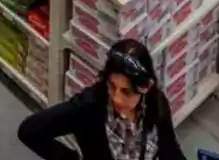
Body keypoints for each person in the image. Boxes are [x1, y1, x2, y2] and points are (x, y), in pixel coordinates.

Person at [18, 38, 186, 160]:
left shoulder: (156, 102)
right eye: (112, 86)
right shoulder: (88, 107)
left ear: (145, 87)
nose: (117, 98)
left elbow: (169, 148)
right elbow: (30, 130)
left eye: (126, 92)